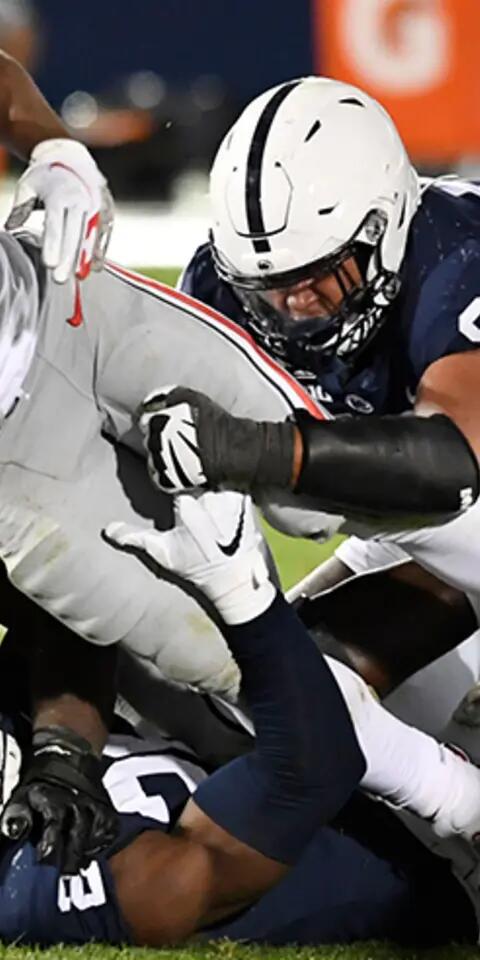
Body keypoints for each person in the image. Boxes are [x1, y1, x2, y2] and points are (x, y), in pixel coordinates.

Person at [0, 490, 478, 949]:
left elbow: (52, 604)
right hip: (417, 837)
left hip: (309, 717)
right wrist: (240, 595)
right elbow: (317, 769)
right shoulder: (50, 887)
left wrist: (62, 749)